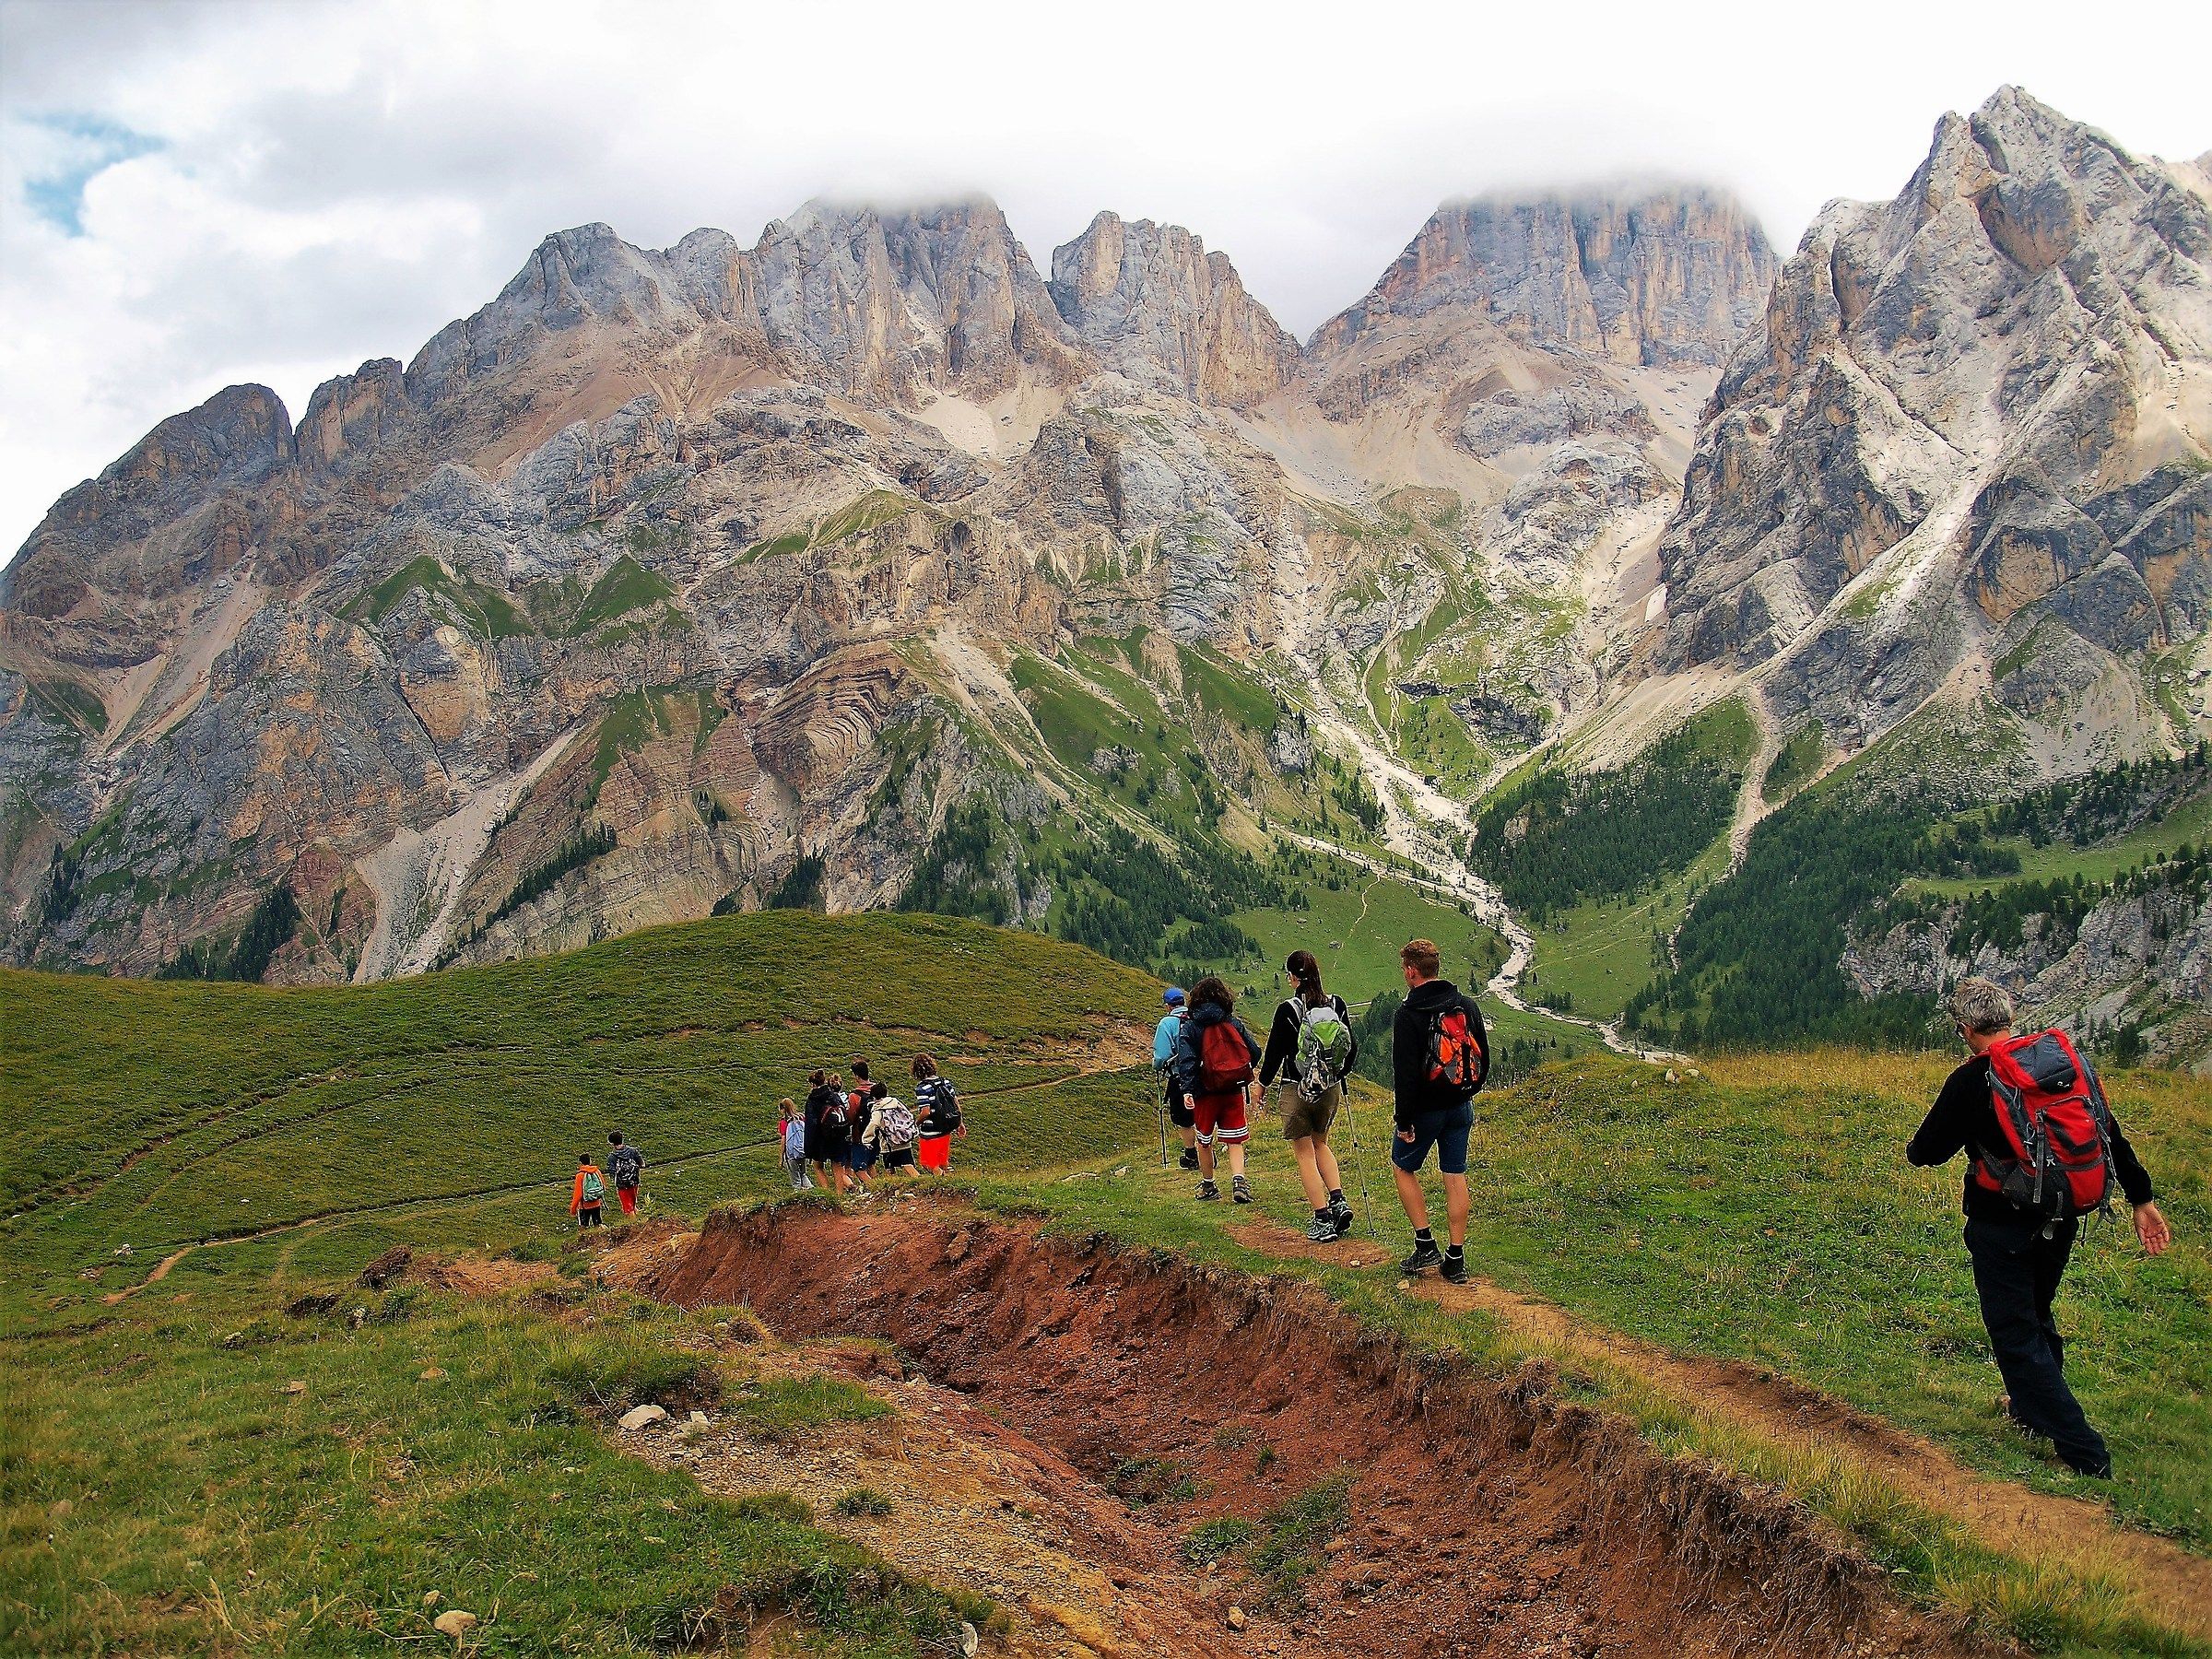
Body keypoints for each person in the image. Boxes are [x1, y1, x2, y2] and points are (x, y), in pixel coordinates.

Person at [1907, 979, 2170, 1479]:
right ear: (2010, 1018)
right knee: (2035, 1312)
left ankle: (2082, 1449)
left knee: (2013, 1331)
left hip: (2000, 1224)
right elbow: (2106, 1130)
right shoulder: (2065, 1063)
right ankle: (2030, 1413)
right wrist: (2142, 1198)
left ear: (1965, 1030)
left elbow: (1925, 1152)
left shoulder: (1973, 1080)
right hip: (2062, 1215)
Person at [1389, 938, 1487, 1281]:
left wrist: (1404, 1120)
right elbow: (1482, 1058)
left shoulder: (1409, 1014)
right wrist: (1466, 1093)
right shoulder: (1466, 1005)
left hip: (1426, 1110)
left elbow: (1405, 1074)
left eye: (1404, 968)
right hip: (1461, 1106)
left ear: (1412, 971)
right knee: (1455, 1175)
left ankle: (1424, 1243)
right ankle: (1455, 1258)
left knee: (1403, 1167)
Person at [1258, 951, 1357, 1241]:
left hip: (1296, 1087)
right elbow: (1350, 1046)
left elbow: (1274, 1054)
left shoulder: (1288, 1010)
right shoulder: (1336, 1004)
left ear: (1293, 977)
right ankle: (1338, 1201)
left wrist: (1261, 1086)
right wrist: (1338, 1074)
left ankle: (1322, 1218)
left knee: (1304, 1151)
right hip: (1330, 1088)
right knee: (1321, 1143)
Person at [1174, 976, 1261, 1204]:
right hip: (1232, 1090)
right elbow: (1255, 1051)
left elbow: (1187, 1061)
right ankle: (1239, 1182)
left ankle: (1209, 1185)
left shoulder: (1191, 1025)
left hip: (1205, 1093)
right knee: (1235, 1140)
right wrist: (1237, 1070)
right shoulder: (1232, 1022)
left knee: (1204, 1140)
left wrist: (1187, 1090)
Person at [1155, 988, 1199, 1171]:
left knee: (1184, 1118)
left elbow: (1161, 1056)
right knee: (1201, 1114)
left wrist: (1157, 1067)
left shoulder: (1167, 1023)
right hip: (1201, 1074)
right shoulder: (1195, 1018)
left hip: (1179, 1076)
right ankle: (1207, 1148)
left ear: (1168, 1006)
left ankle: (1191, 1155)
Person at [912, 1053, 964, 1173]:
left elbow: (925, 1112)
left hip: (930, 1130)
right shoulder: (945, 1082)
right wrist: (960, 1122)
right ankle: (949, 1183)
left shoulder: (922, 1088)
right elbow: (955, 1103)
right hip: (946, 1127)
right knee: (942, 1162)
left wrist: (916, 1124)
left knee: (929, 1163)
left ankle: (944, 1182)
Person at [804, 1068, 852, 1195]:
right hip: (837, 1136)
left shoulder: (812, 1100)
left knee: (818, 1167)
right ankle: (839, 1194)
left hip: (820, 1139)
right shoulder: (834, 1096)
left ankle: (827, 1193)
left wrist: (808, 1147)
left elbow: (811, 1124)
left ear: (812, 1084)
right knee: (837, 1166)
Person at [865, 1079, 923, 1177]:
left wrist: (866, 1140)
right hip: (904, 1138)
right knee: (908, 1165)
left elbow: (874, 1124)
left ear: (874, 1097)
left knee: (889, 1169)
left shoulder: (878, 1108)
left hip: (889, 1143)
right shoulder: (895, 1102)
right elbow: (908, 1115)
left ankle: (891, 1188)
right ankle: (920, 1182)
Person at [846, 1060, 879, 1198]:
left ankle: (877, 1192)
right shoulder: (878, 1090)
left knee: (859, 1169)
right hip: (877, 1133)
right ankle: (881, 1187)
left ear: (856, 1076)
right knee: (871, 1165)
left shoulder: (855, 1095)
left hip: (861, 1135)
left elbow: (851, 1118)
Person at [607, 1130, 645, 1217]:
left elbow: (612, 1172)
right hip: (634, 1181)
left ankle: (634, 1226)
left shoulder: (612, 1157)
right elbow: (642, 1164)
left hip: (622, 1185)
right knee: (633, 1204)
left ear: (612, 1144)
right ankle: (641, 1221)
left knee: (628, 1208)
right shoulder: (632, 1151)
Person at [778, 1099, 813, 1191]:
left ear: (783, 1109)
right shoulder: (801, 1117)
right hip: (802, 1151)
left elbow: (783, 1140)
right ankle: (812, 1192)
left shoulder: (784, 1122)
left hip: (791, 1154)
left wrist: (781, 1157)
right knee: (803, 1174)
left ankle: (798, 1197)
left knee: (795, 1179)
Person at [571, 1153, 606, 1229]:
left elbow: (578, 1194)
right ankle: (600, 1240)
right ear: (590, 1161)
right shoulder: (597, 1171)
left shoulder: (580, 1175)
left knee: (583, 1227)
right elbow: (603, 1186)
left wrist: (573, 1208)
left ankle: (584, 1240)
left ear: (580, 1163)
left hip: (584, 1206)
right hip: (597, 1204)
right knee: (598, 1224)